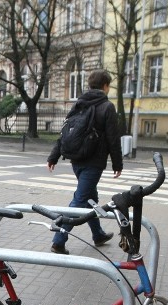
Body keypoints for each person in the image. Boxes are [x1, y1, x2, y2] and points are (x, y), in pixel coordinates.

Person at [47, 69, 123, 254]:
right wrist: (117, 164)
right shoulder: (107, 107)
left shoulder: (79, 104)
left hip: (76, 159)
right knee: (79, 201)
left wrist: (54, 156)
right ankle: (58, 240)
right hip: (94, 162)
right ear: (105, 86)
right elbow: (113, 138)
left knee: (90, 199)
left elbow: (65, 132)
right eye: (109, 85)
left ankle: (98, 235)